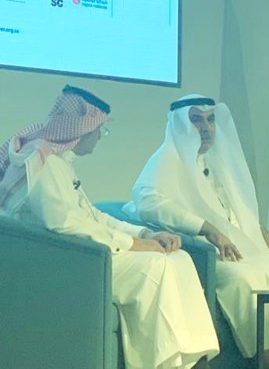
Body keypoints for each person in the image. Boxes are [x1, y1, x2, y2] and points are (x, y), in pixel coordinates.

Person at [0, 85, 219, 369]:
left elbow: (93, 217)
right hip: (61, 262)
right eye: (99, 130)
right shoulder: (42, 162)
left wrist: (145, 234)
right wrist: (134, 245)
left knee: (180, 258)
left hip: (85, 252)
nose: (99, 137)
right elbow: (65, 225)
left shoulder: (60, 162)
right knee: (156, 265)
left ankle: (193, 359)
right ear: (83, 128)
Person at [125, 95, 269, 369]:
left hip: (241, 245)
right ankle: (264, 360)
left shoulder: (215, 160)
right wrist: (206, 229)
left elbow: (235, 211)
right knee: (244, 280)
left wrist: (264, 235)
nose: (205, 128)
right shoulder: (166, 159)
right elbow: (147, 202)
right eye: (196, 120)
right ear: (180, 124)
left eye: (210, 120)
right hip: (207, 250)